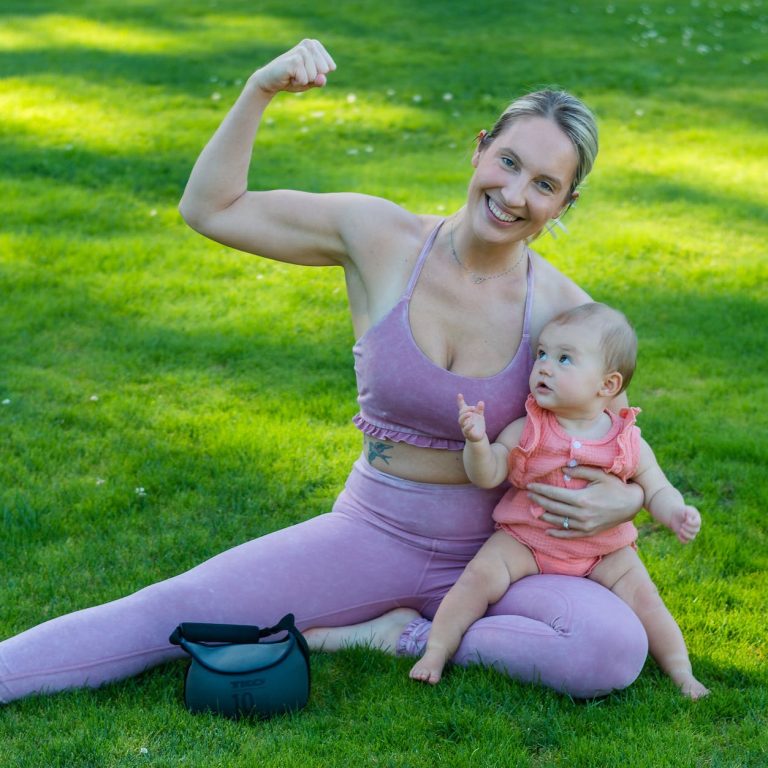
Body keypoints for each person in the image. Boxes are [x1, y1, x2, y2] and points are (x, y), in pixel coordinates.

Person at [0, 39, 650, 705]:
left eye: (544, 185)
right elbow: (211, 209)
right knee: (171, 608)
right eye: (507, 162)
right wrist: (260, 89)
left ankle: (403, 634)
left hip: (507, 551)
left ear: (565, 205)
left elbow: (619, 444)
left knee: (609, 648)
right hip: (374, 529)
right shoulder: (378, 238)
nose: (513, 194)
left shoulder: (568, 312)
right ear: (479, 148)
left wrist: (627, 499)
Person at [399, 302, 707, 698]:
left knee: (647, 600)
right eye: (542, 354)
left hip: (604, 552)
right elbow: (488, 473)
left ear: (607, 385)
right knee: (477, 578)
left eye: (564, 359)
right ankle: (436, 649)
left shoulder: (627, 439)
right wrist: (477, 443)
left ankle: (682, 673)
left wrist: (677, 512)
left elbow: (656, 488)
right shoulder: (530, 428)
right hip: (526, 540)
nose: (544, 366)